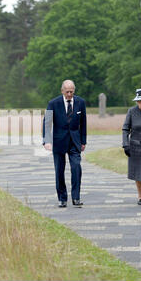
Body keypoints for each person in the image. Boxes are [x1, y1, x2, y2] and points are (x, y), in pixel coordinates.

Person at [43, 80, 87, 208]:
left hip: (75, 141)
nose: (69, 94)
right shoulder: (53, 103)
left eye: (71, 92)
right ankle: (62, 198)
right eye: (67, 92)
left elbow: (83, 123)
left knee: (76, 167)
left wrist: (83, 141)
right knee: (59, 170)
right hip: (58, 141)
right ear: (62, 91)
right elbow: (47, 123)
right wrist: (47, 141)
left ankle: (76, 198)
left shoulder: (80, 102)